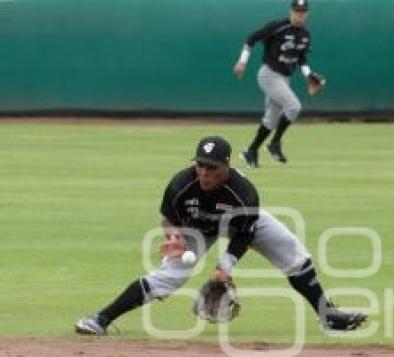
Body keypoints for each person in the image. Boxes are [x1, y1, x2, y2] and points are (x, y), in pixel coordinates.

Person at [74, 135, 367, 336]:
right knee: (169, 276)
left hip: (241, 224)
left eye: (211, 167)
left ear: (227, 166)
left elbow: (244, 235)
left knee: (292, 251)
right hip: (197, 228)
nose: (203, 172)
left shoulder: (243, 194)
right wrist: (174, 236)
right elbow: (169, 218)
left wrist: (222, 268)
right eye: (200, 165)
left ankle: (327, 315)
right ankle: (101, 319)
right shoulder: (180, 185)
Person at [233, 0, 322, 167]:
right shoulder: (278, 26)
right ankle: (275, 143)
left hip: (284, 78)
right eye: (296, 11)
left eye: (302, 12)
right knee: (294, 106)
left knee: (271, 120)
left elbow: (301, 58)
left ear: (307, 13)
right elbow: (251, 38)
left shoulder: (305, 34)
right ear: (290, 11)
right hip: (269, 75)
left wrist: (309, 75)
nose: (299, 14)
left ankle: (251, 151)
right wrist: (242, 61)